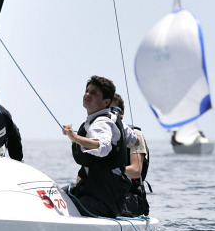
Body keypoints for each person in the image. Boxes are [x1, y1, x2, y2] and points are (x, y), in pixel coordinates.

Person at [61, 76, 131, 218]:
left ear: (106, 102)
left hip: (104, 198)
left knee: (59, 207)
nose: (87, 94)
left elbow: (102, 147)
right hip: (94, 189)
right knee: (55, 196)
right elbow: (133, 138)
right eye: (87, 91)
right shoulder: (112, 118)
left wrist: (75, 138)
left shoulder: (101, 123)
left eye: (94, 93)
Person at [111, 94, 150, 217]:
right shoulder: (101, 136)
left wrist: (104, 175)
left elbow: (135, 170)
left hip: (130, 198)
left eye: (113, 109)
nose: (109, 114)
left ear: (121, 113)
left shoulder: (135, 135)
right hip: (106, 193)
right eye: (105, 110)